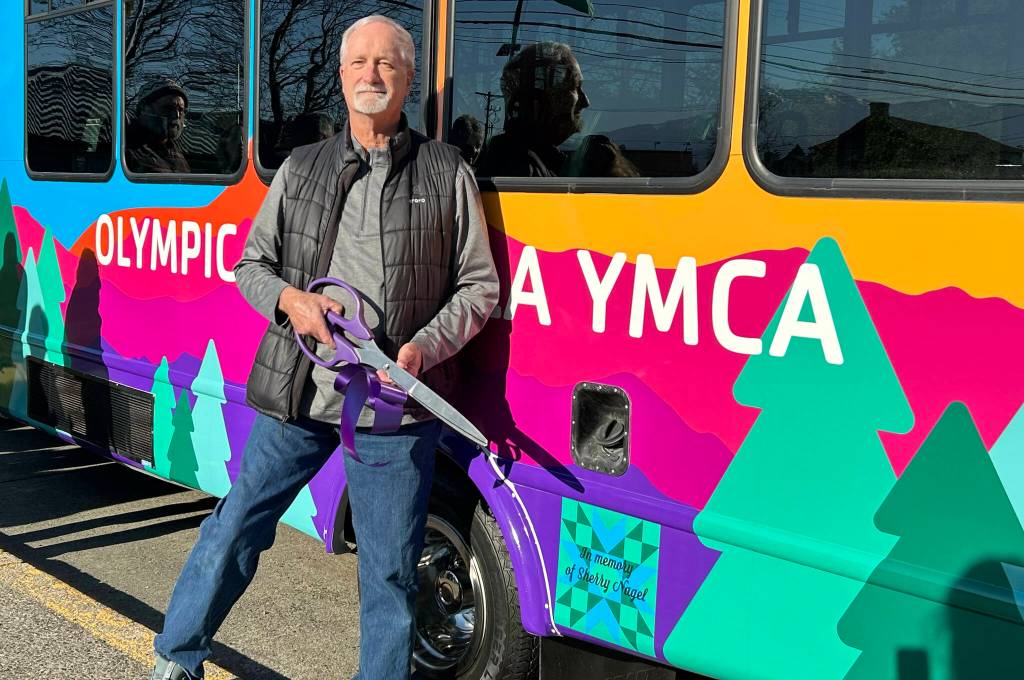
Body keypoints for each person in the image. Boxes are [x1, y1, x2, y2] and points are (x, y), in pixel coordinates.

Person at [151, 14, 499, 680]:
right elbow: (251, 265)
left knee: (389, 575)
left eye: (387, 64)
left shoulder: (445, 170)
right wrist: (293, 302)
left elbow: (478, 288)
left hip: (392, 412)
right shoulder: (302, 167)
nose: (371, 76)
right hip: (296, 395)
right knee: (232, 531)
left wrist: (423, 349)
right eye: (358, 64)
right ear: (341, 78)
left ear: (409, 78)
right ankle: (176, 658)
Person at [475, 41, 590, 177]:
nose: (586, 102)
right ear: (544, 99)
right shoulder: (523, 167)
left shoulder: (534, 158)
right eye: (575, 87)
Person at [126, 78, 191, 174]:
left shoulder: (175, 152)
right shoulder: (126, 149)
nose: (177, 115)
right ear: (144, 108)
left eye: (181, 110)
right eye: (168, 108)